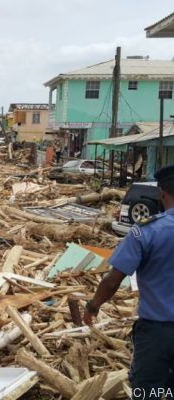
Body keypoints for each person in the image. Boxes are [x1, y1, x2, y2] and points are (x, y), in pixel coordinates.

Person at [84, 164, 174, 400]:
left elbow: (113, 280)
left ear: (161, 193)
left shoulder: (145, 231)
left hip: (157, 334)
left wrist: (93, 306)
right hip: (157, 331)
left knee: (148, 393)